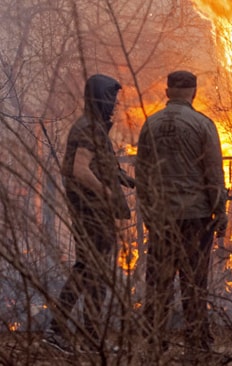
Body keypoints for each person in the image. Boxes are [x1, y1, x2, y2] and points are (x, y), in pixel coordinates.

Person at [134, 70, 227, 360]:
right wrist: (220, 210)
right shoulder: (203, 124)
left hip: (162, 217)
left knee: (159, 284)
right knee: (194, 284)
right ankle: (197, 346)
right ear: (194, 92)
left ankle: (154, 344)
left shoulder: (150, 125)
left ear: (167, 92)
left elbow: (142, 173)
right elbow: (213, 172)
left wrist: (149, 212)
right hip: (195, 217)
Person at [43, 74, 134, 354]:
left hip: (93, 212)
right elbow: (79, 169)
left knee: (92, 272)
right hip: (91, 212)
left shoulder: (93, 127)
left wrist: (120, 177)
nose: (115, 106)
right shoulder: (88, 128)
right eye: (112, 99)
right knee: (88, 270)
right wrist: (106, 193)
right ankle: (59, 330)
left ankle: (90, 336)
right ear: (100, 98)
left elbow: (93, 164)